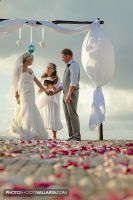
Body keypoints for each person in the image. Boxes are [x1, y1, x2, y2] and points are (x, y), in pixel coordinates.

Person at [9, 52, 49, 140]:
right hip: (23, 91)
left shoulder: (31, 70)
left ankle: (32, 130)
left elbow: (37, 81)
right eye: (31, 59)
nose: (32, 61)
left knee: (32, 108)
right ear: (27, 59)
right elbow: (15, 83)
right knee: (25, 108)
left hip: (31, 91)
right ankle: (24, 129)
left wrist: (44, 89)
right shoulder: (19, 68)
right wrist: (16, 95)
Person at [50, 48, 81, 141]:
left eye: (63, 57)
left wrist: (69, 95)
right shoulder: (67, 66)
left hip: (71, 93)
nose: (62, 59)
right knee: (67, 115)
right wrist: (54, 92)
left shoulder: (74, 65)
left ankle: (77, 136)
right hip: (65, 93)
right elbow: (63, 84)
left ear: (68, 56)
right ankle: (72, 136)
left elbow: (73, 81)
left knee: (73, 114)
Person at [37, 63, 63, 140]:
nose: (47, 69)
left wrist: (53, 87)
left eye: (49, 68)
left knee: (53, 115)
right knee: (42, 115)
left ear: (53, 70)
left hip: (53, 99)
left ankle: (54, 135)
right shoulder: (42, 78)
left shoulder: (57, 79)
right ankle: (42, 134)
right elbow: (38, 91)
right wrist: (45, 87)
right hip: (43, 100)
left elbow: (59, 89)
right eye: (47, 67)